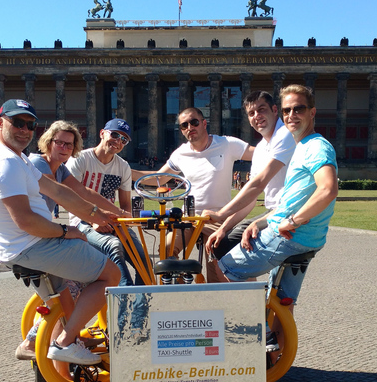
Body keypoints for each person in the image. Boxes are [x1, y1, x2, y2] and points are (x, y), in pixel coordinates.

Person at [0, 99, 120, 365]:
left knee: (66, 303)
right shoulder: (6, 162)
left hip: (25, 245)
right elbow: (26, 220)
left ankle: (61, 369)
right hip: (33, 244)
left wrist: (96, 215)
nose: (24, 129)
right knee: (111, 274)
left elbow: (58, 191)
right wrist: (66, 231)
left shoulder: (18, 158)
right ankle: (64, 344)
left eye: (29, 124)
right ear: (0, 122)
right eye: (17, 123)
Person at [218, 84, 338, 305]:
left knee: (225, 268)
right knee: (281, 301)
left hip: (291, 236)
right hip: (306, 237)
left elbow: (328, 189)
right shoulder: (301, 145)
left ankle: (256, 331)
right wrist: (262, 222)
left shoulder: (316, 147)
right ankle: (273, 338)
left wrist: (291, 221)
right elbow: (293, 198)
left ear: (312, 112)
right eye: (287, 110)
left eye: (298, 109)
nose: (291, 115)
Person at [132, 107, 254, 282]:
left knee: (216, 269)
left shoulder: (227, 144)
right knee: (166, 249)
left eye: (194, 122)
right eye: (184, 125)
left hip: (218, 218)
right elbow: (159, 178)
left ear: (204, 123)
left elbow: (261, 154)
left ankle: (214, 296)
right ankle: (183, 284)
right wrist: (128, 172)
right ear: (181, 130)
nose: (190, 127)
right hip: (189, 217)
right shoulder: (181, 153)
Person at [203, 90, 296, 271]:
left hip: (289, 212)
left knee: (232, 256)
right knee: (222, 242)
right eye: (251, 113)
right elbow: (251, 199)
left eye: (261, 110)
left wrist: (221, 213)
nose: (257, 116)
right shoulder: (260, 148)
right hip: (274, 212)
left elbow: (259, 183)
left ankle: (247, 294)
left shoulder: (285, 134)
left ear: (275, 110)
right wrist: (223, 228)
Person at [65, 119, 149, 287]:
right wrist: (94, 220)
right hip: (83, 221)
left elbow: (125, 203)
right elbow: (70, 198)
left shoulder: (122, 166)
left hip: (112, 222)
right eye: (115, 134)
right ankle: (125, 298)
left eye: (124, 139)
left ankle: (140, 308)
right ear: (102, 133)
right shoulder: (80, 159)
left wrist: (123, 226)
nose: (118, 141)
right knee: (114, 246)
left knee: (144, 260)